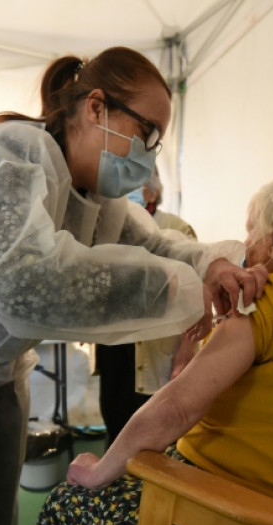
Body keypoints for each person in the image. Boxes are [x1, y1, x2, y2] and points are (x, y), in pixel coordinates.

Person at [0, 46, 266, 525]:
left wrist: (214, 262)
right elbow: (24, 283)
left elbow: (156, 247)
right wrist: (185, 287)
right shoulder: (12, 154)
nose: (147, 159)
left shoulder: (98, 202)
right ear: (96, 107)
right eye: (146, 134)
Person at [37, 169, 273, 525]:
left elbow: (177, 407)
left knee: (68, 503)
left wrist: (98, 471)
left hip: (272, 513)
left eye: (251, 231)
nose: (245, 243)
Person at [96, 169, 200, 447]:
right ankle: (115, 485)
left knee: (152, 428)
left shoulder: (175, 229)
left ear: (152, 192)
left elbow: (195, 296)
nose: (124, 192)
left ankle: (147, 487)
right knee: (115, 420)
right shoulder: (108, 226)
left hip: (156, 346)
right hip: (114, 344)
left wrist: (186, 352)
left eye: (134, 185)